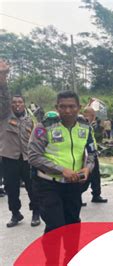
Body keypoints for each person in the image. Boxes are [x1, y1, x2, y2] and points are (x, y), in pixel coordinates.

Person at [29, 91, 96, 233]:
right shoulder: (44, 127)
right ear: (56, 107)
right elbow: (34, 156)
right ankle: (52, 256)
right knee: (56, 227)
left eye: (72, 106)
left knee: (73, 224)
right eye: (63, 107)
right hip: (48, 185)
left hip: (73, 184)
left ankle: (71, 255)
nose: (67, 111)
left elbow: (91, 153)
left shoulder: (85, 127)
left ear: (79, 107)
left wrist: (87, 168)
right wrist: (61, 170)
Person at [0, 60, 40, 227]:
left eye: (20, 102)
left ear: (24, 104)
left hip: (27, 159)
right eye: (14, 103)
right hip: (9, 158)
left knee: (33, 188)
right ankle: (16, 214)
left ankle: (36, 212)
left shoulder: (31, 119)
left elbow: (38, 138)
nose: (17, 105)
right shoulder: (4, 116)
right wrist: (3, 78)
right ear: (10, 105)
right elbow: (3, 98)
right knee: (12, 189)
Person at [80, 107, 108, 205]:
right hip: (86, 155)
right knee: (85, 176)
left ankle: (96, 195)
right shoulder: (83, 124)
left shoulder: (90, 125)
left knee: (96, 175)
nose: (94, 117)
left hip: (93, 153)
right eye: (93, 115)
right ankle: (77, 196)